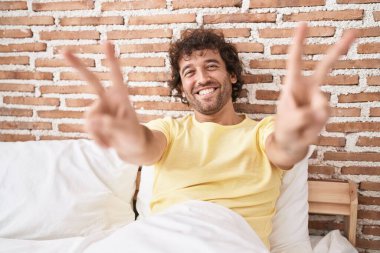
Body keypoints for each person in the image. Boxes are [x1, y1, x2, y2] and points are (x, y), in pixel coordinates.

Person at [63, 22, 356, 249]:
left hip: (231, 239)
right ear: (182, 87)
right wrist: (125, 133)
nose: (201, 78)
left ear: (232, 76)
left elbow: (284, 150)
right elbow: (143, 147)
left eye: (211, 66)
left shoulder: (262, 131)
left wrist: (295, 135)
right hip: (161, 237)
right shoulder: (168, 130)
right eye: (189, 71)